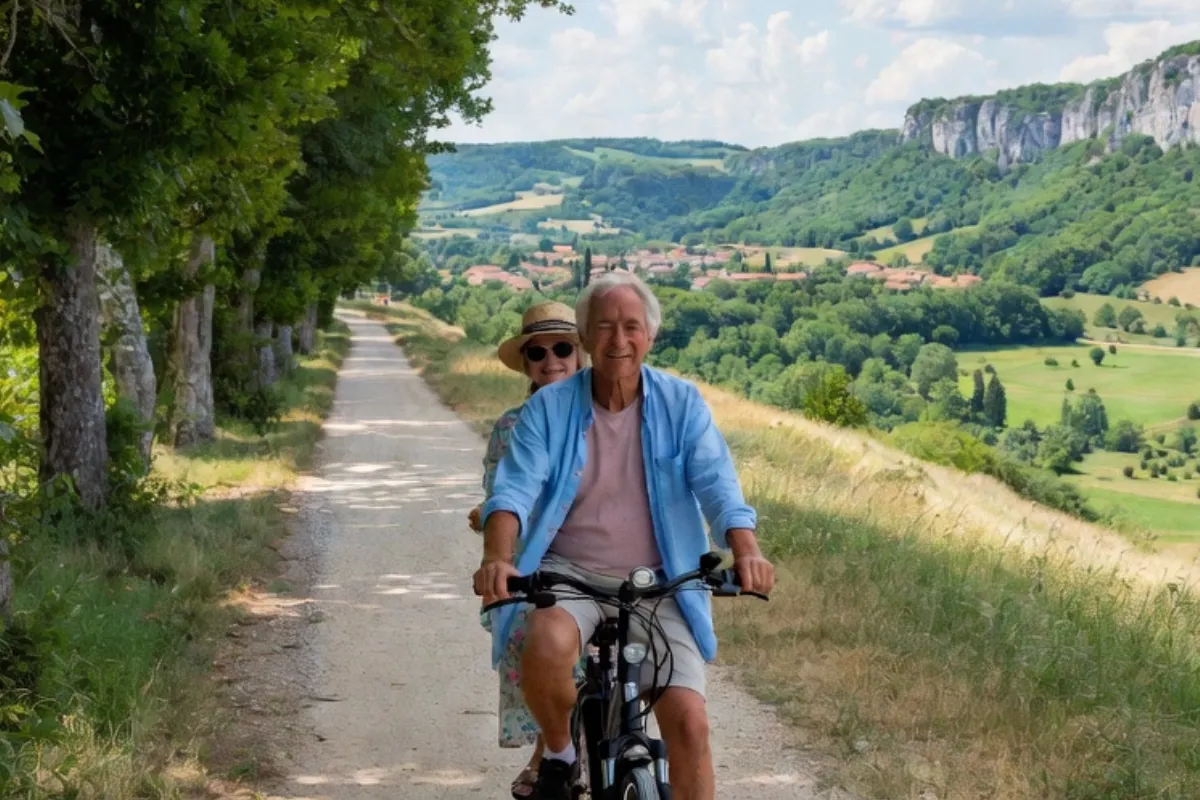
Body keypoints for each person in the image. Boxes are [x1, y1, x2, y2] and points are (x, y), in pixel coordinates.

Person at [473, 271, 776, 800]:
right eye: (605, 327)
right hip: (570, 575)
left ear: (650, 336)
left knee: (690, 725)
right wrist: (499, 558)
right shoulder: (548, 409)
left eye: (631, 326)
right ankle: (560, 753)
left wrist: (746, 551)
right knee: (546, 644)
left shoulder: (681, 403)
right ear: (586, 338)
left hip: (659, 581)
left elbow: (717, 483)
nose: (619, 340)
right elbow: (513, 490)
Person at [467, 301, 587, 799]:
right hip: (536, 557)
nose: (551, 360)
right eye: (537, 353)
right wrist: (490, 520)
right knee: (534, 636)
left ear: (580, 355)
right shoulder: (510, 426)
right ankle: (549, 750)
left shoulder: (605, 415)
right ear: (526, 364)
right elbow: (502, 492)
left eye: (562, 348)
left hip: (597, 551)